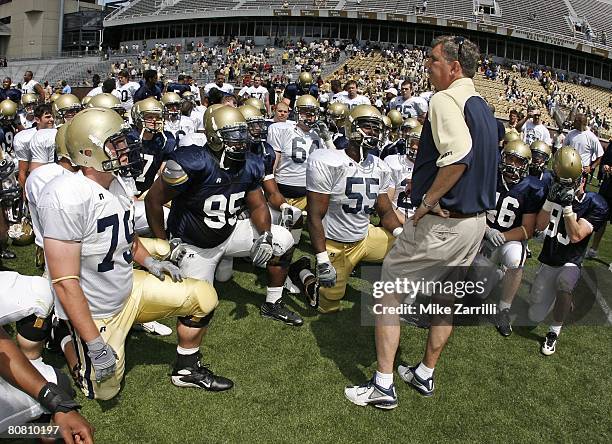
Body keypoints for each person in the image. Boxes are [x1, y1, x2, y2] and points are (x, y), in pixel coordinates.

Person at [345, 36, 498, 409]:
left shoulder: (446, 98)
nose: (426, 65)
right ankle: (424, 373)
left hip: (444, 223)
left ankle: (382, 387)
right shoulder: (483, 106)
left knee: (387, 295)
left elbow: (459, 157)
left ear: (454, 67)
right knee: (444, 301)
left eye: (432, 60)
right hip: (473, 223)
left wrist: (427, 201)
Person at [39, 108, 232, 400]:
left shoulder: (115, 182)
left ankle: (187, 370)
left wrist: (150, 262)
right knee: (103, 391)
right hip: (97, 309)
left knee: (203, 297)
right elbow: (65, 281)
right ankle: (64, 334)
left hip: (128, 288)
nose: (126, 147)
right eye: (115, 142)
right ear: (88, 151)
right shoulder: (66, 195)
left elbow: (127, 238)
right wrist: (92, 342)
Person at [145, 106, 303, 326]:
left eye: (242, 134)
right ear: (214, 137)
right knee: (199, 305)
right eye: (233, 136)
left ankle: (272, 303)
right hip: (195, 244)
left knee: (282, 240)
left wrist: (265, 235)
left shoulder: (250, 163)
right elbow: (153, 200)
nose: (240, 142)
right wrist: (164, 243)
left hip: (229, 232)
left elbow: (258, 206)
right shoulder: (193, 162)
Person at [303, 104, 402, 313]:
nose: (373, 133)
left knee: (409, 246)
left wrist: (402, 235)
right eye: (367, 127)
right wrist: (321, 259)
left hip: (364, 239)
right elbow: (314, 216)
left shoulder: (380, 166)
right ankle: (303, 274)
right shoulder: (328, 161)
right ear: (351, 128)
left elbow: (385, 212)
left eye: (377, 129)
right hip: (335, 244)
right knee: (329, 305)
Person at [530, 147, 609, 355]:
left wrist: (567, 207)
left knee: (565, 282)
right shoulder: (550, 188)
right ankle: (564, 300)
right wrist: (549, 201)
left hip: (570, 259)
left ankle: (553, 332)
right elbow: (539, 226)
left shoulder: (594, 203)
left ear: (582, 178)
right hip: (549, 257)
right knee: (535, 312)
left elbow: (575, 236)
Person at [469, 140, 543, 336]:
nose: (512, 165)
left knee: (515, 258)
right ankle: (496, 275)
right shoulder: (489, 178)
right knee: (478, 293)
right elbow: (474, 212)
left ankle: (504, 309)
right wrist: (487, 231)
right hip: (484, 237)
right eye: (509, 158)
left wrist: (501, 235)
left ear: (526, 165)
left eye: (518, 162)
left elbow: (527, 228)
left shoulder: (531, 187)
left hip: (509, 240)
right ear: (502, 158)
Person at [586, 141, 612, 258]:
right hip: (607, 187)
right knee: (601, 217)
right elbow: (605, 160)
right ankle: (593, 249)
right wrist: (604, 167)